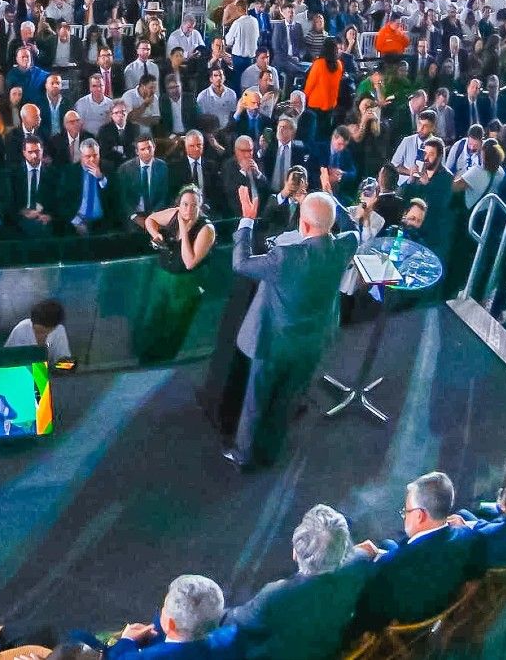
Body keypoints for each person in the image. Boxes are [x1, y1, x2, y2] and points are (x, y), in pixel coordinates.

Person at [224, 192, 356, 471]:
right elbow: (353, 226)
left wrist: (247, 221)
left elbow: (240, 264)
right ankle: (270, 453)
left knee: (256, 399)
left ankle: (243, 455)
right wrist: (332, 199)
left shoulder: (286, 256)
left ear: (304, 226)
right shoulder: (347, 246)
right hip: (311, 344)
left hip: (273, 344)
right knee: (287, 399)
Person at [222, 504, 371, 660]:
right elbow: (367, 550)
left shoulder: (277, 594)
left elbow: (237, 621)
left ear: (295, 552)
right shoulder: (359, 563)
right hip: (329, 649)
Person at [351, 472, 484, 632]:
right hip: (437, 606)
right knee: (388, 544)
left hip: (408, 622)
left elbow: (364, 616)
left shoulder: (390, 569)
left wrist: (358, 560)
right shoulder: (469, 537)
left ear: (420, 516)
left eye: (406, 511)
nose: (404, 516)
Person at [134, 187, 215, 364]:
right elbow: (150, 219)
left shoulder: (206, 229)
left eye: (194, 205)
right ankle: (144, 358)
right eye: (185, 204)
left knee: (174, 325)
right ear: (179, 204)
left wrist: (184, 231)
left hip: (186, 283)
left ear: (200, 206)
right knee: (153, 316)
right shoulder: (174, 213)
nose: (188, 210)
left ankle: (164, 362)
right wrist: (156, 234)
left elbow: (189, 262)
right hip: (163, 276)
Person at [103, 574, 236, 658]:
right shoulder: (231, 640)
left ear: (171, 624)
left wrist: (127, 640)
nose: (161, 610)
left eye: (164, 607)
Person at [5, 299, 73, 365]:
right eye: (36, 330)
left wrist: (63, 366)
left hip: (50, 374)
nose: (39, 334)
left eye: (42, 332)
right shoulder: (21, 329)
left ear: (53, 328)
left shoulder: (59, 330)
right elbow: (7, 358)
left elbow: (64, 360)